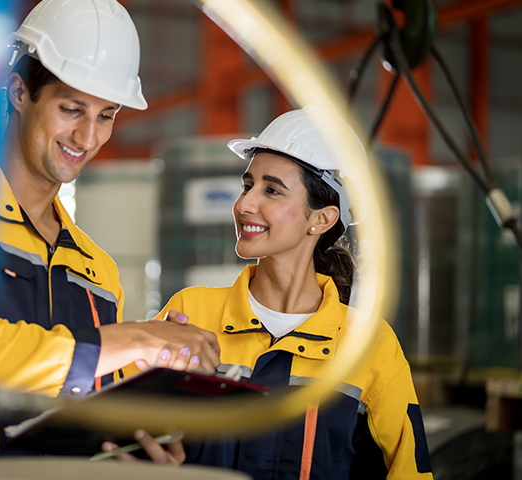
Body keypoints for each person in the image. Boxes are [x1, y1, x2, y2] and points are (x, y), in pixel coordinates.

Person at [0, 0, 218, 464]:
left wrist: (135, 449)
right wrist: (132, 340)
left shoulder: (97, 271)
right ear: (19, 92)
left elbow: (94, 407)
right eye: (72, 109)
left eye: (106, 115)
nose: (88, 138)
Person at [147, 106, 433, 479]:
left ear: (322, 219)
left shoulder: (369, 345)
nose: (244, 204)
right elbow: (129, 433)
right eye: (247, 185)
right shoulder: (192, 311)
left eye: (272, 190)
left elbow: (409, 471)